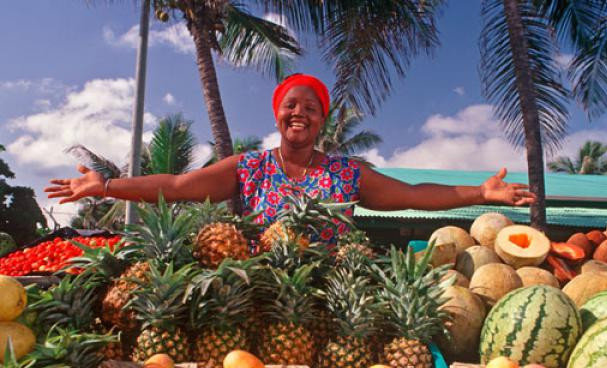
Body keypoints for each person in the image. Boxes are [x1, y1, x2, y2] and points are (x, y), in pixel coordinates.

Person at [46, 73, 535, 244]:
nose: (299, 112)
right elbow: (175, 187)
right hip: (260, 292)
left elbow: (412, 196)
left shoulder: (348, 172)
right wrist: (106, 186)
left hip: (331, 295)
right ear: (278, 115)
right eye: (290, 105)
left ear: (322, 120)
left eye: (311, 107)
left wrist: (480, 192)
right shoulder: (248, 167)